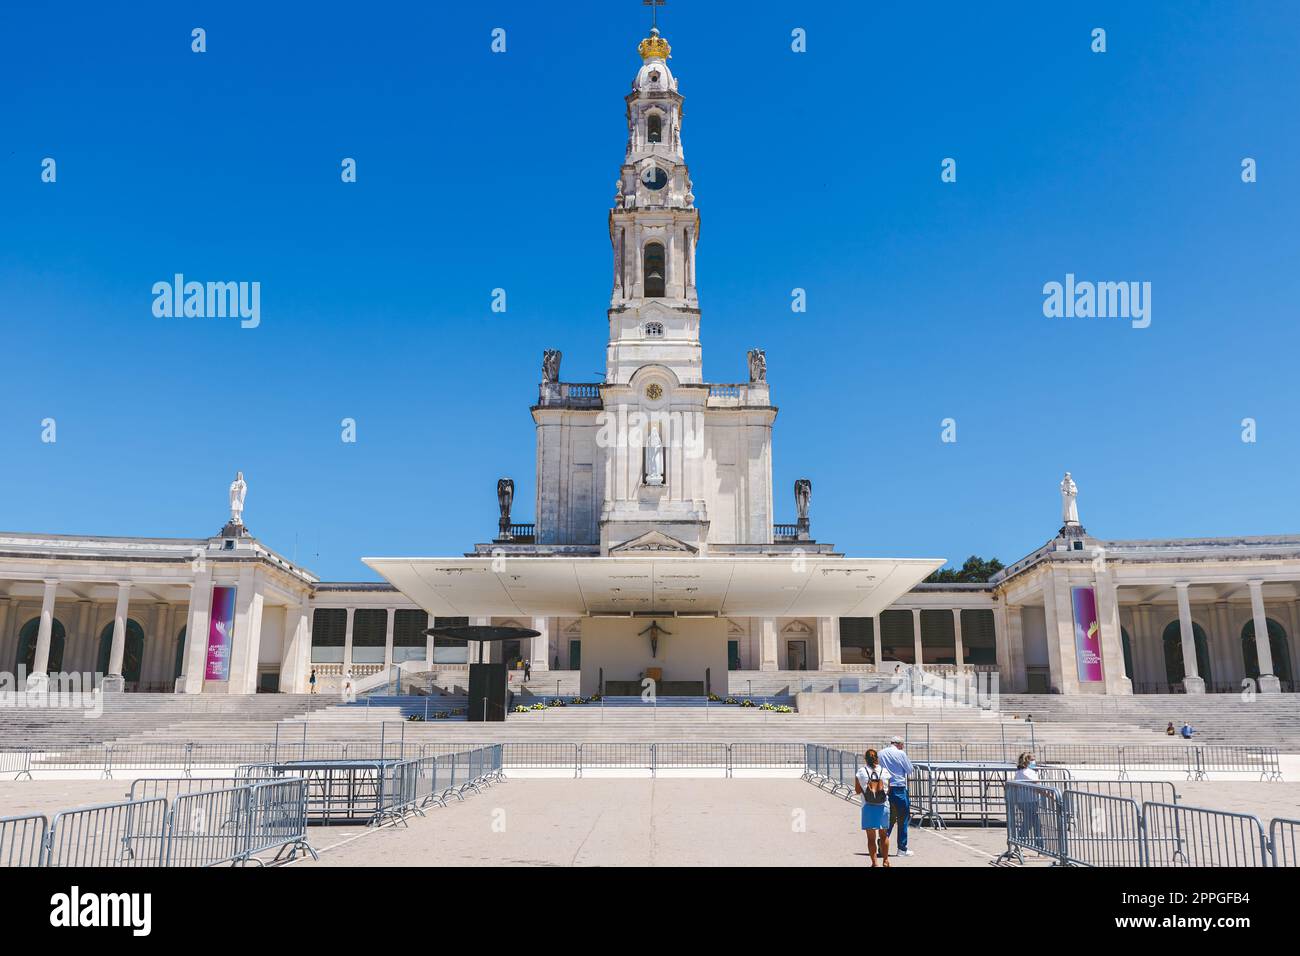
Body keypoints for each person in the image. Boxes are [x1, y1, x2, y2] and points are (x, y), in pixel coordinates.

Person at [876, 735, 915, 857]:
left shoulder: (881, 753)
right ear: (899, 744)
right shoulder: (900, 754)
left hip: (886, 787)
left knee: (888, 819)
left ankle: (883, 842)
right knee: (902, 818)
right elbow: (909, 770)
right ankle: (902, 849)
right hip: (898, 787)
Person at [854, 749, 892, 866]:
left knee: (871, 838)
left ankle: (874, 862)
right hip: (883, 806)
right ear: (877, 759)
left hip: (868, 806)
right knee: (884, 835)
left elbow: (857, 790)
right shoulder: (885, 771)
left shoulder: (861, 772)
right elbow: (889, 790)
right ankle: (885, 860)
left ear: (865, 759)